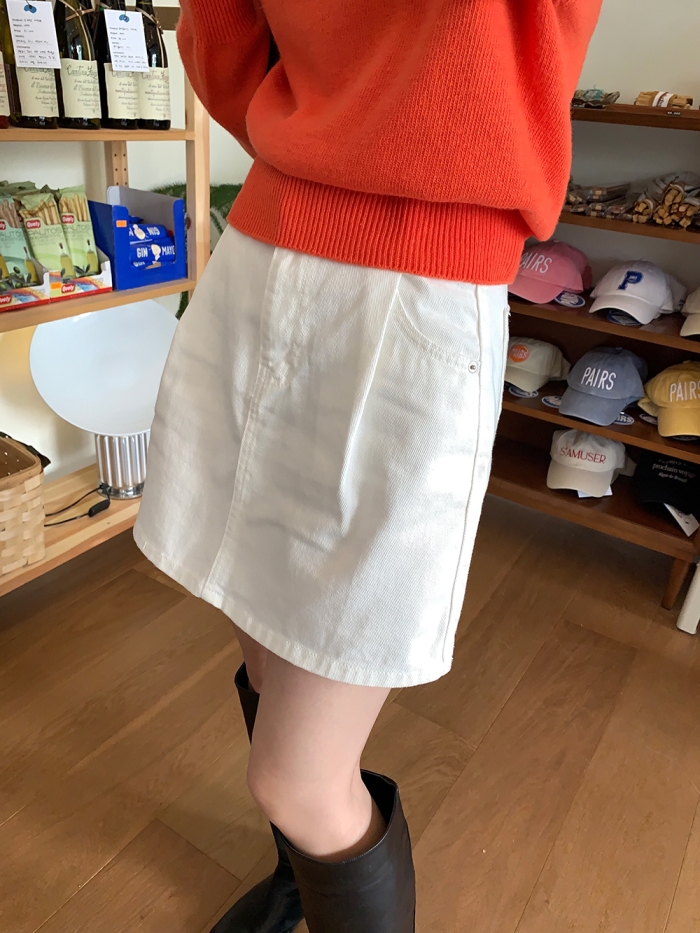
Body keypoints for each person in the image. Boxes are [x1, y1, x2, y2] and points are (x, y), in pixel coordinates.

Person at [133, 2, 603, 930]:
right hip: (274, 250)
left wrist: (330, 124)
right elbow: (220, 25)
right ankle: (301, 882)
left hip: (413, 280)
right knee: (267, 652)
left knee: (297, 775)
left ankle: (309, 860)